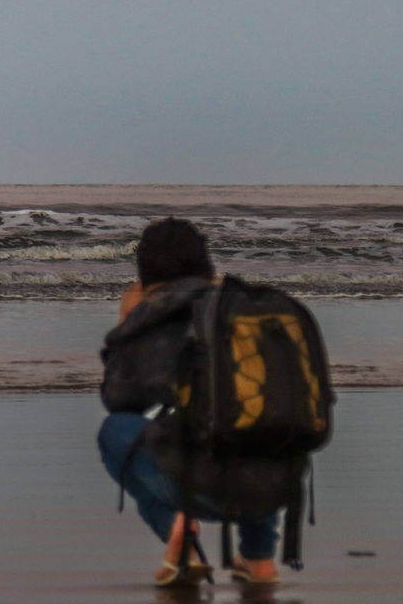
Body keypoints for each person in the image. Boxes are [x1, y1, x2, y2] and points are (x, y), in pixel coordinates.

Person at [97, 217, 280, 587]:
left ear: (145, 266)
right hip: (278, 482)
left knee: (115, 432)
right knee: (260, 428)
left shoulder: (156, 313)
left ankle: (179, 533)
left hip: (206, 484)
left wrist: (126, 327)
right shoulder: (245, 305)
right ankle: (259, 560)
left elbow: (119, 400)